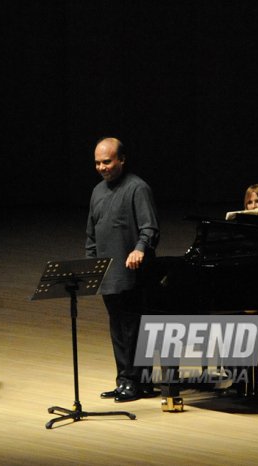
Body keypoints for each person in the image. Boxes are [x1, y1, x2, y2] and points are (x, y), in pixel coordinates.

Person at [86, 137, 160, 403]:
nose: (102, 167)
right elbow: (92, 235)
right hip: (108, 273)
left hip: (132, 274)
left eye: (107, 161)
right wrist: (90, 265)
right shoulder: (97, 191)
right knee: (118, 329)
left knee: (134, 329)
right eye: (97, 163)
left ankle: (136, 382)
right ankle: (125, 381)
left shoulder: (137, 188)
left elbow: (149, 227)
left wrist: (140, 248)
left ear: (122, 160)